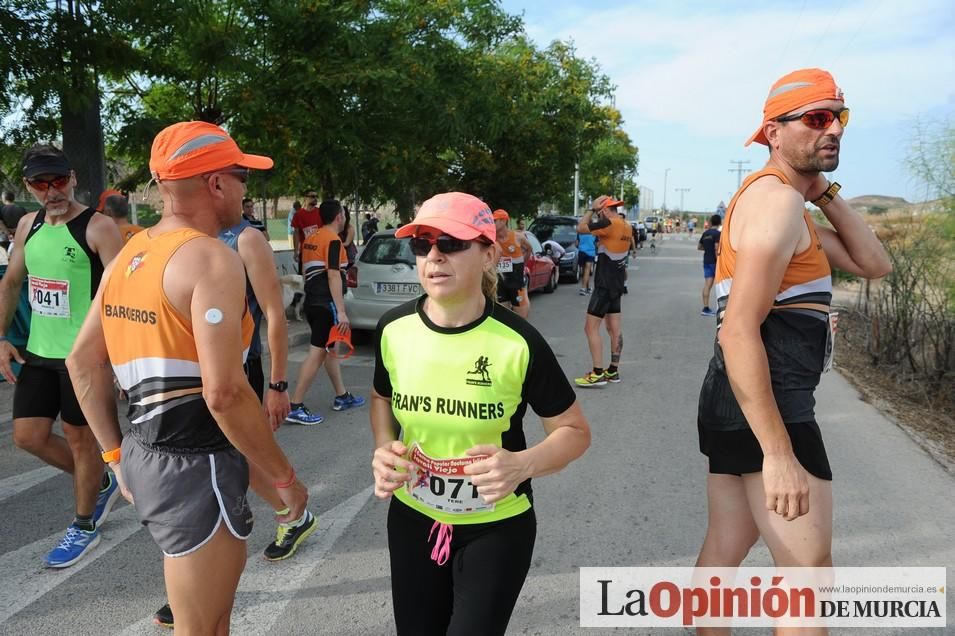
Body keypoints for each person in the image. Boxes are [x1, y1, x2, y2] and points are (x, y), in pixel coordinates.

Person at [66, 121, 310, 635]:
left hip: (150, 457)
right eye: (241, 175)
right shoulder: (211, 259)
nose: (246, 188)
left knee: (211, 621)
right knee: (201, 627)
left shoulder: (130, 253)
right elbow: (224, 394)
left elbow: (83, 363)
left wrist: (116, 458)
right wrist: (284, 480)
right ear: (217, 183)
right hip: (197, 465)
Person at [695, 68, 891, 636]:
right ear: (772, 133)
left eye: (839, 118)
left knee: (725, 548)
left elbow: (873, 263)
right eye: (816, 118)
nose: (832, 130)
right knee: (807, 574)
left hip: (733, 395)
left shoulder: (784, 204)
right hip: (771, 401)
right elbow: (737, 329)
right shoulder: (777, 204)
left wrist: (825, 191)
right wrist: (778, 452)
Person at [371, 191, 591, 635]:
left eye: (450, 242)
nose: (434, 256)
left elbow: (574, 431)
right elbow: (381, 396)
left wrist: (521, 464)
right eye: (422, 244)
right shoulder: (394, 330)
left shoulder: (518, 342)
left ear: (489, 253)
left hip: (495, 528)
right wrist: (385, 449)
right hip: (414, 518)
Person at [152, 192, 319, 629]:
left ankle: (203, 580)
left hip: (235, 370)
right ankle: (287, 517)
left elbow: (274, 315)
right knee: (210, 463)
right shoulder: (177, 240)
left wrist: (279, 385)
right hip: (187, 371)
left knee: (227, 459)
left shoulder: (245, 239)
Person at [0, 144, 123, 567]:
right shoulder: (28, 226)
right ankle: (100, 481)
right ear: (29, 186)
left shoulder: (100, 227)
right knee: (27, 437)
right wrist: (0, 337)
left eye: (58, 181)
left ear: (71, 178)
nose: (51, 191)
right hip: (39, 352)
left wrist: (120, 362)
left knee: (81, 441)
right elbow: (12, 282)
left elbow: (122, 297)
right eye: (40, 183)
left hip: (85, 359)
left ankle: (84, 522)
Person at [286, 199, 365, 425]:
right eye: (343, 214)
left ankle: (342, 396)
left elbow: (303, 270)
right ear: (339, 216)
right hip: (326, 304)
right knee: (318, 353)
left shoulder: (310, 238)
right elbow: (333, 275)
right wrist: (341, 311)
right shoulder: (333, 241)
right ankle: (295, 405)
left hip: (312, 302)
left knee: (332, 349)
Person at [574, 195, 631, 387]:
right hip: (617, 283)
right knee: (614, 328)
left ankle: (597, 373)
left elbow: (581, 228)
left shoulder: (608, 223)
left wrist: (591, 209)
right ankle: (613, 371)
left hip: (604, 284)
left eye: (599, 211)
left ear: (604, 210)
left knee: (590, 328)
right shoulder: (626, 225)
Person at [493, 209, 533, 319]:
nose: (492, 223)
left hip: (516, 282)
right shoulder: (491, 239)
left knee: (521, 318)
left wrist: (522, 264)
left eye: (494, 220)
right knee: (504, 318)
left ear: (503, 221)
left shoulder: (517, 236)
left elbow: (529, 249)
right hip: (500, 282)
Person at [698, 214, 722, 317]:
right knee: (721, 285)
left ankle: (705, 307)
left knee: (707, 285)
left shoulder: (705, 233)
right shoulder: (718, 234)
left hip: (706, 261)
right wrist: (718, 261)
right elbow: (717, 248)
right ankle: (722, 308)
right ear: (719, 222)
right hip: (714, 262)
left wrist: (708, 249)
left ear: (711, 222)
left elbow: (699, 247)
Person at [291, 191, 321, 269]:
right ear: (305, 198)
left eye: (316, 196)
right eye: (312, 196)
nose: (315, 198)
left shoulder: (320, 212)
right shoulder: (298, 215)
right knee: (303, 278)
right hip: (305, 253)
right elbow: (296, 234)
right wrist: (295, 251)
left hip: (320, 252)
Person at [577, 230, 596, 295]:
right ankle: (583, 288)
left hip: (581, 251)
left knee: (584, 271)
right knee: (587, 270)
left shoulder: (580, 231)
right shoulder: (595, 231)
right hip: (591, 252)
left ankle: (587, 287)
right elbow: (597, 243)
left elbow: (577, 242)